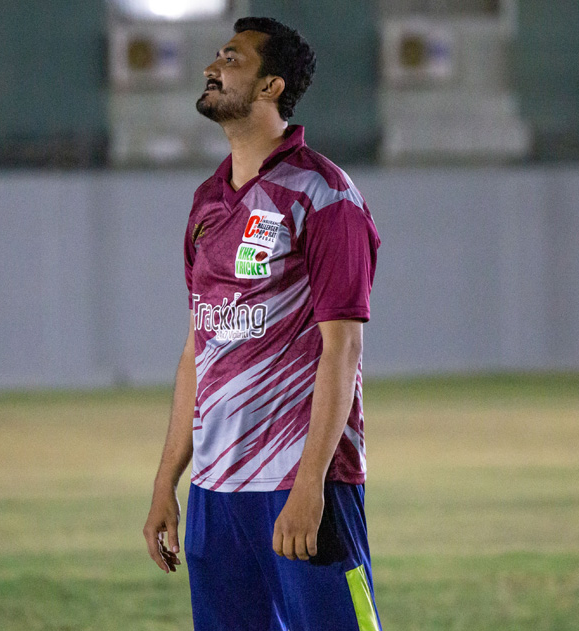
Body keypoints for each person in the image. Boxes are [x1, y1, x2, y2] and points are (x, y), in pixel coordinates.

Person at [143, 16, 382, 631]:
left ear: (271, 86)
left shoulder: (324, 194)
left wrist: (310, 486)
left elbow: (343, 351)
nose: (212, 68)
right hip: (215, 493)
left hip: (297, 484)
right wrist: (168, 482)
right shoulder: (206, 202)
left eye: (232, 59)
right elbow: (199, 349)